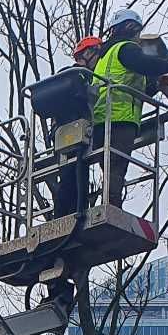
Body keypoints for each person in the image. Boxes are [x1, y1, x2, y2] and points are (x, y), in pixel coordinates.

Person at [90, 9, 168, 205]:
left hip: (102, 118)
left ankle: (110, 204)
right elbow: (146, 64)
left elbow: (136, 86)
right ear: (130, 27)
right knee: (117, 166)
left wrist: (157, 84)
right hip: (119, 118)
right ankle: (112, 207)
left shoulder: (106, 56)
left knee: (111, 167)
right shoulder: (125, 48)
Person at [48, 35, 107, 220]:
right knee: (73, 177)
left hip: (67, 132)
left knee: (72, 176)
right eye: (98, 54)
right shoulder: (78, 76)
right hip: (71, 131)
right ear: (89, 53)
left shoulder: (69, 76)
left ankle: (68, 215)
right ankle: (68, 216)